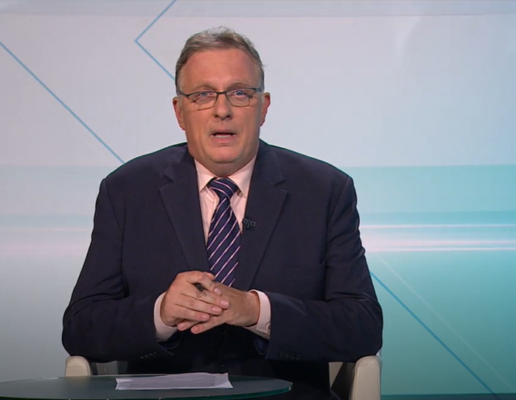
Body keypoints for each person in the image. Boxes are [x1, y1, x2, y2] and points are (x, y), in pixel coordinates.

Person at [62, 27, 382, 399]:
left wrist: (257, 310)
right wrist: (161, 313)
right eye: (202, 95)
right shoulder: (127, 191)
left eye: (239, 93)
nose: (222, 110)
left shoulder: (324, 190)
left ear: (263, 107)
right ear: (180, 112)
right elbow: (81, 327)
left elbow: (362, 326)